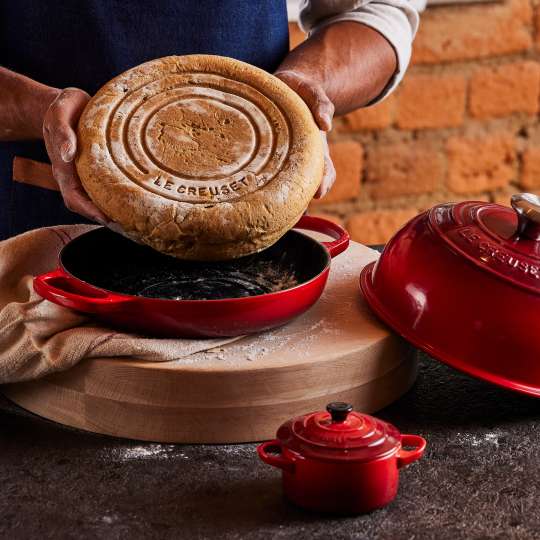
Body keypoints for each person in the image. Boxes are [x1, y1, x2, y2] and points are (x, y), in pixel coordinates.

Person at [0, 0, 424, 241]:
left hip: (242, 248)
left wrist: (305, 85)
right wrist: (42, 110)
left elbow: (378, 10)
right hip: (33, 234)